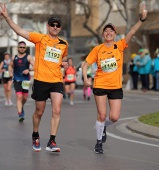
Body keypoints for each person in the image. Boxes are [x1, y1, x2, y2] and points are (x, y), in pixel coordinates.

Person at [0, 4, 68, 152]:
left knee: (57, 110)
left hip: (56, 80)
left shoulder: (64, 44)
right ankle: (35, 135)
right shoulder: (40, 38)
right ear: (48, 26)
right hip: (41, 80)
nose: (55, 27)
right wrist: (6, 17)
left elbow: (64, 57)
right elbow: (19, 31)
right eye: (52, 25)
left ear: (60, 28)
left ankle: (52, 141)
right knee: (39, 111)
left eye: (58, 25)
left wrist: (64, 62)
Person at [82, 6, 147, 154]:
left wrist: (141, 20)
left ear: (115, 34)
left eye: (111, 31)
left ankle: (102, 126)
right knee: (102, 115)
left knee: (114, 117)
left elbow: (132, 32)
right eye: (106, 31)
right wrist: (86, 78)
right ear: (103, 34)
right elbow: (86, 65)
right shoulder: (97, 49)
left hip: (116, 86)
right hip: (100, 84)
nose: (108, 33)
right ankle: (99, 142)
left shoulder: (120, 46)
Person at [9, 41, 34, 122]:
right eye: (20, 47)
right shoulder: (14, 57)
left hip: (26, 79)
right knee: (19, 96)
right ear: (18, 48)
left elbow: (36, 66)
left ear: (25, 48)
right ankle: (20, 114)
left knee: (25, 97)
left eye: (23, 47)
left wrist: (29, 69)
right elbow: (10, 65)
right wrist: (10, 72)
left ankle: (21, 106)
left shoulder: (28, 57)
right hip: (17, 79)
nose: (22, 48)